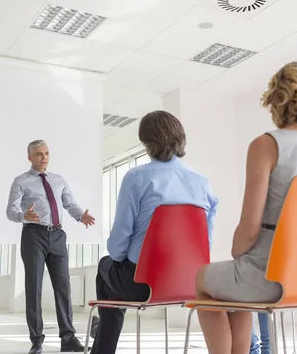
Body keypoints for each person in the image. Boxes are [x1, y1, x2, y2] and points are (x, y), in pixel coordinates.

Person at [195, 61, 297, 354]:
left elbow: (249, 232)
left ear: (277, 98)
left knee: (203, 278)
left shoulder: (267, 145)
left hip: (271, 276)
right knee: (235, 282)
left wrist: (239, 250)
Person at [91, 110, 218, 354]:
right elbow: (205, 245)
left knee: (106, 266)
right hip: (190, 283)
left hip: (142, 284)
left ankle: (103, 350)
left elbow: (118, 247)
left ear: (147, 144)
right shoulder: (202, 182)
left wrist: (121, 258)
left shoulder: (136, 178)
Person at [6, 140, 95, 354]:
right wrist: (23, 216)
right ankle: (36, 341)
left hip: (57, 235)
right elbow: (10, 210)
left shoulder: (58, 180)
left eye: (46, 153)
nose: (43, 157)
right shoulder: (21, 181)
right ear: (29, 157)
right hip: (33, 235)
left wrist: (81, 216)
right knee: (33, 288)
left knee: (63, 288)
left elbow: (70, 204)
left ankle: (68, 338)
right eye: (38, 154)